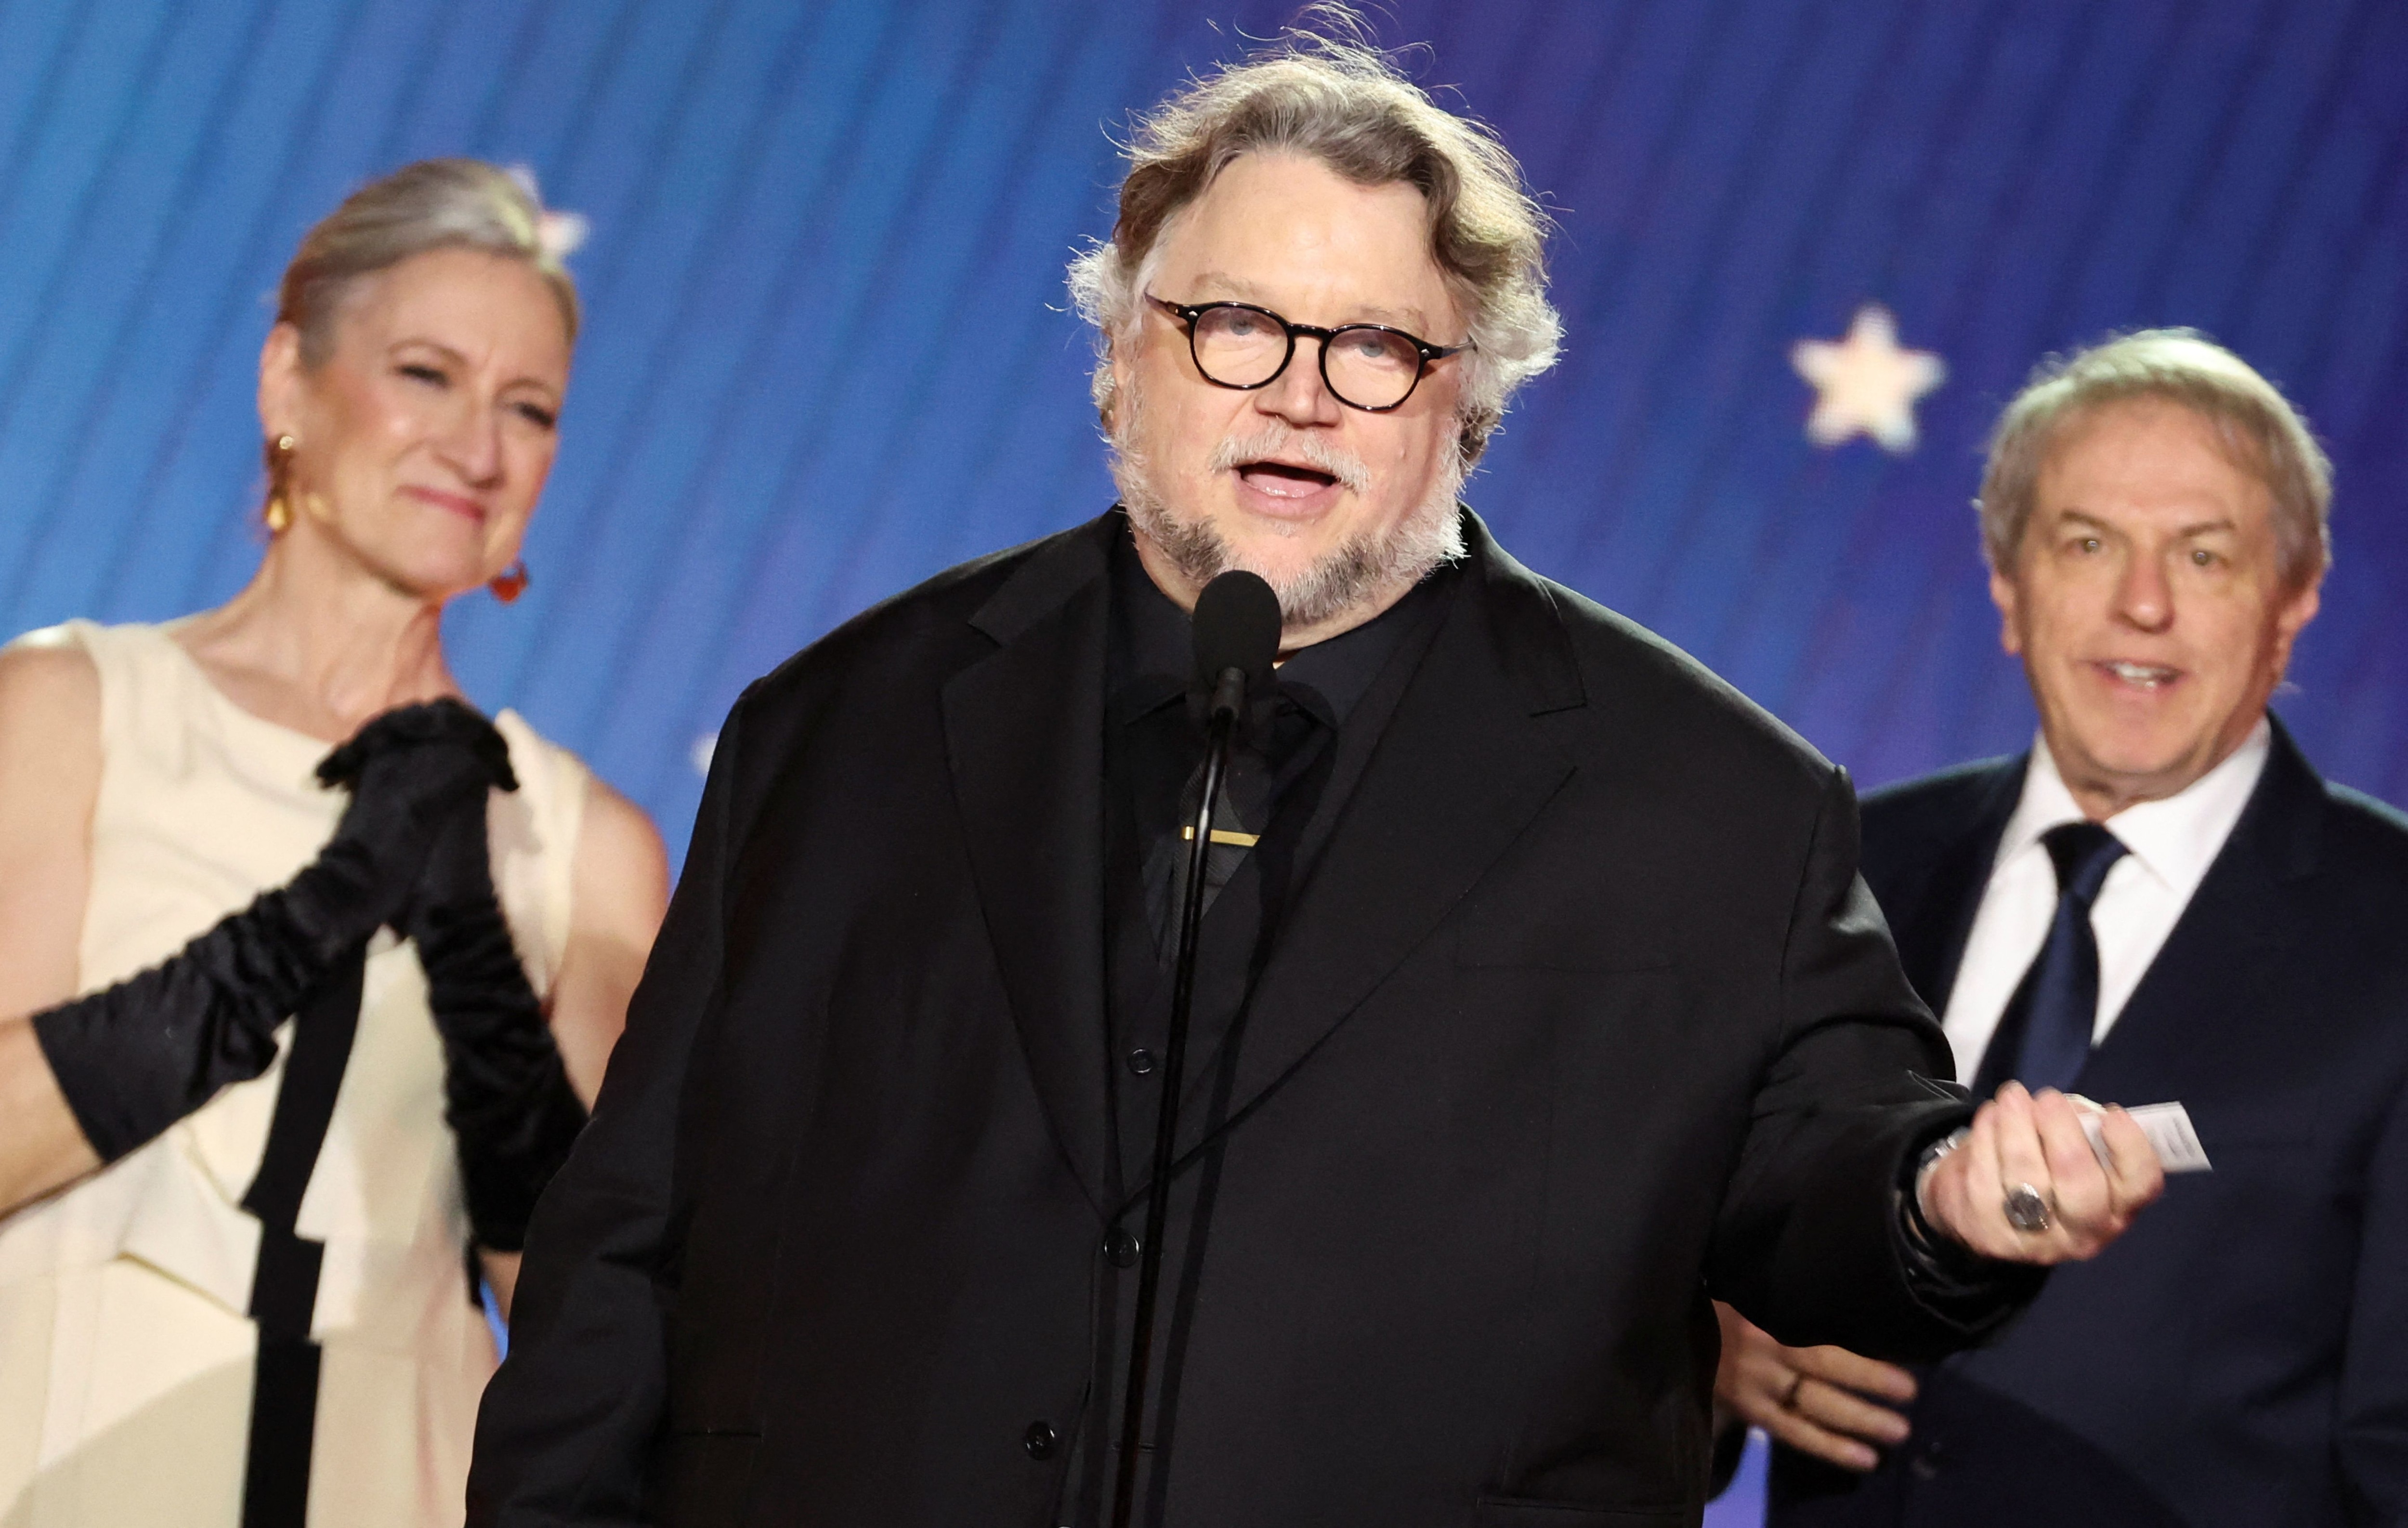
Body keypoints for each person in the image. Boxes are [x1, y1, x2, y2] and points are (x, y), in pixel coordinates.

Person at [469, 23, 2159, 1528]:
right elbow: (628, 1256)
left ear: (1467, 406)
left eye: (1375, 348)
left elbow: (1828, 1169)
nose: (1297, 393)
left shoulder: (1708, 797)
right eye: (1234, 326)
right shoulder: (842, 725)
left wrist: (1941, 1204)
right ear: (1123, 355)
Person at [0, 158, 668, 1528]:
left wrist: (470, 940)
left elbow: (603, 1316)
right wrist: (306, 919)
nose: (477, 447)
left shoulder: (582, 841)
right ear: (287, 384)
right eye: (426, 373)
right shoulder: (75, 712)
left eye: (528, 408)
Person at [1714, 330, 2408, 1525]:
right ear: (2007, 584)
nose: (2142, 605)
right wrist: (1715, 1344)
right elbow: (1694, 1221)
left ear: (2294, 599)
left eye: (2205, 553)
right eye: (2088, 543)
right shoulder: (1843, 862)